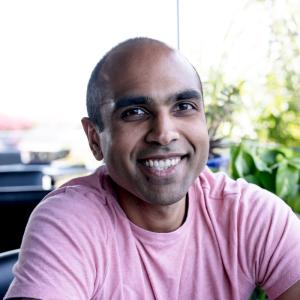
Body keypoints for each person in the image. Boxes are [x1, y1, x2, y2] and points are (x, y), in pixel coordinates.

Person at [5, 37, 300, 300]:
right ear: (95, 138)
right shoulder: (69, 223)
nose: (164, 133)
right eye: (134, 112)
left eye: (183, 106)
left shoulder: (248, 215)